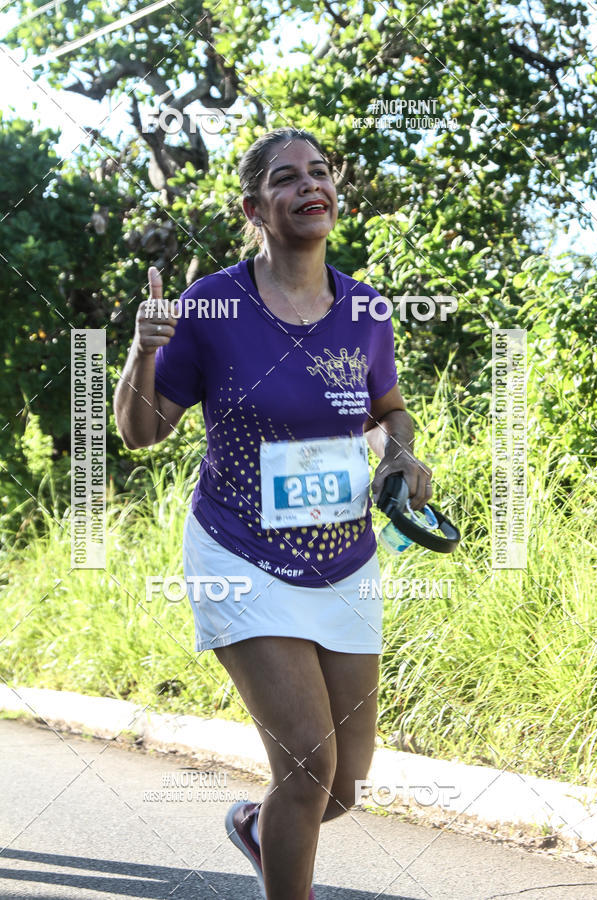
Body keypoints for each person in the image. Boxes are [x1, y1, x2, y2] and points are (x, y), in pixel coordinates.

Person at [114, 127, 432, 900]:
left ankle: (259, 830)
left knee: (341, 789)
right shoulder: (212, 303)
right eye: (288, 178)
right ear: (255, 205)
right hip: (240, 552)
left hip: (344, 557)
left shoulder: (364, 308)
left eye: (320, 173)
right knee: (307, 763)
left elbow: (390, 409)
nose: (311, 186)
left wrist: (399, 454)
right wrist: (140, 352)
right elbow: (142, 433)